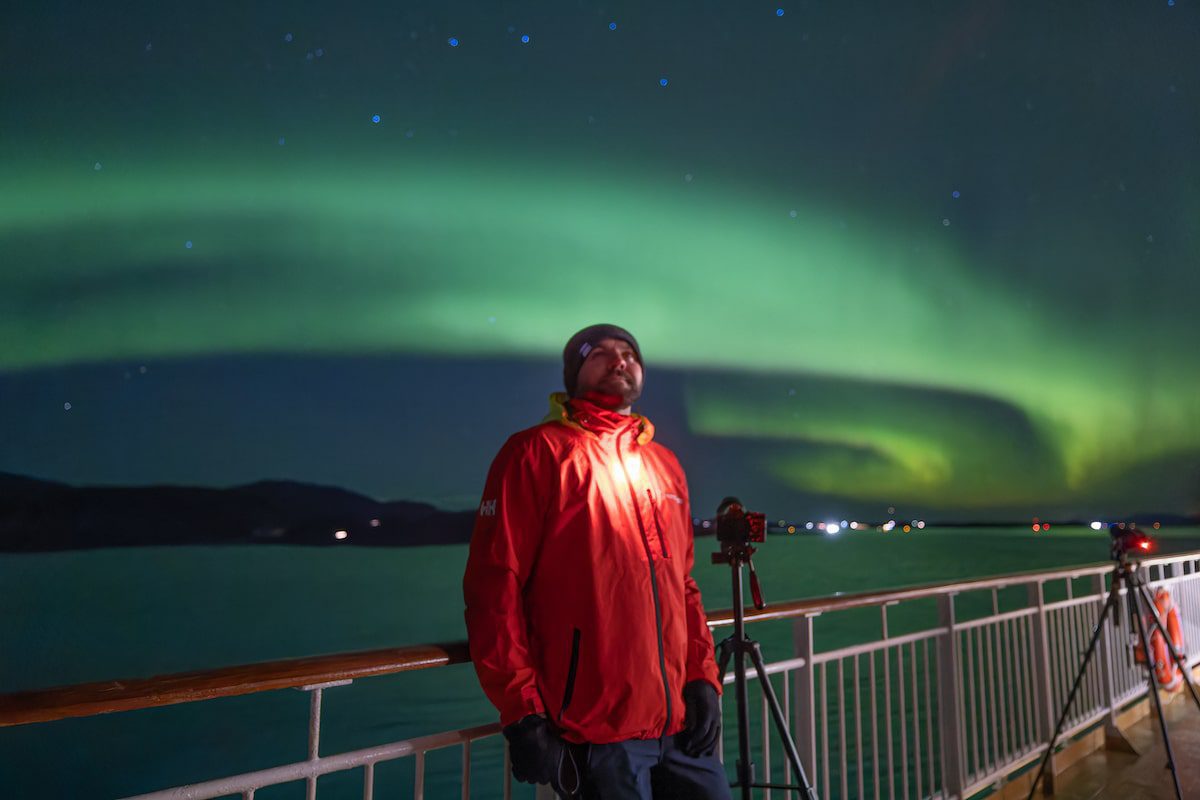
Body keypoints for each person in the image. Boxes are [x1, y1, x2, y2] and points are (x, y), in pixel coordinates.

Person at [464, 324, 732, 799]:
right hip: (597, 731)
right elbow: (494, 587)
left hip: (680, 723)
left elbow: (682, 586)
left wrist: (703, 679)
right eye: (600, 353)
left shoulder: (664, 464)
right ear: (573, 373)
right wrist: (523, 713)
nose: (619, 360)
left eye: (629, 353)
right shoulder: (535, 452)